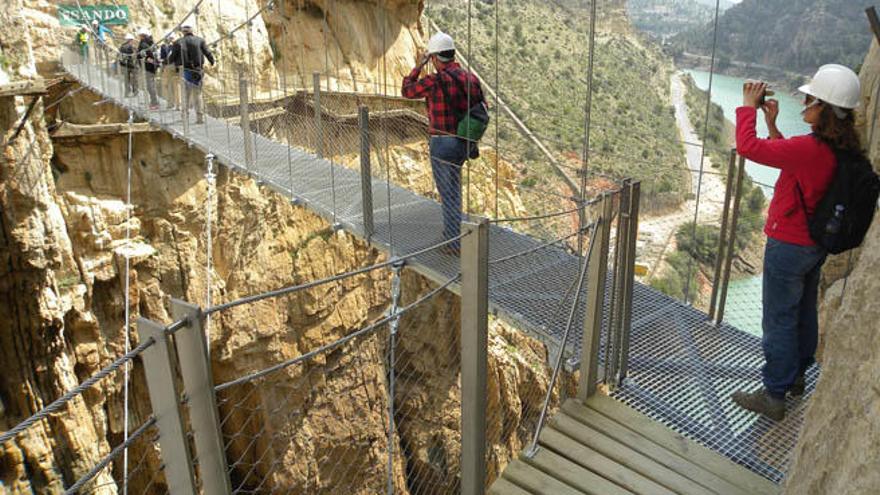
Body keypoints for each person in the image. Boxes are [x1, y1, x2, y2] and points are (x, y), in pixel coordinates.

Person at [731, 64, 863, 421]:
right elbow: (788, 159)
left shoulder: (810, 148)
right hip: (814, 245)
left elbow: (747, 147)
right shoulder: (838, 148)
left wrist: (747, 106)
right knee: (802, 313)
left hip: (788, 245)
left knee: (779, 319)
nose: (803, 103)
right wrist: (773, 123)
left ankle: (774, 394)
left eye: (809, 99)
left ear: (823, 107)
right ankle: (797, 376)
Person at [401, 32, 486, 255]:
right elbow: (481, 107)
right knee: (455, 191)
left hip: (442, 143)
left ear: (435, 58)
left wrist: (418, 67)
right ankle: (455, 235)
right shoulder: (471, 78)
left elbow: (407, 90)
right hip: (464, 143)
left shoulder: (433, 81)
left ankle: (455, 243)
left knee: (447, 194)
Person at [170, 24, 215, 124]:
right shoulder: (200, 40)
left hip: (186, 72)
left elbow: (172, 57)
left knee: (185, 95)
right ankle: (200, 118)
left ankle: (185, 117)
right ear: (192, 31)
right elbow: (208, 53)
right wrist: (212, 61)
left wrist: (167, 62)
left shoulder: (178, 42)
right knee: (197, 95)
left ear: (183, 32)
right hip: (198, 71)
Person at [137, 28, 160, 109]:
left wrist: (145, 58)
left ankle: (155, 103)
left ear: (142, 36)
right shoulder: (151, 43)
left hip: (147, 67)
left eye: (140, 35)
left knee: (150, 85)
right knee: (151, 85)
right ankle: (154, 101)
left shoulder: (143, 44)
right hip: (152, 66)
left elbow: (143, 55)